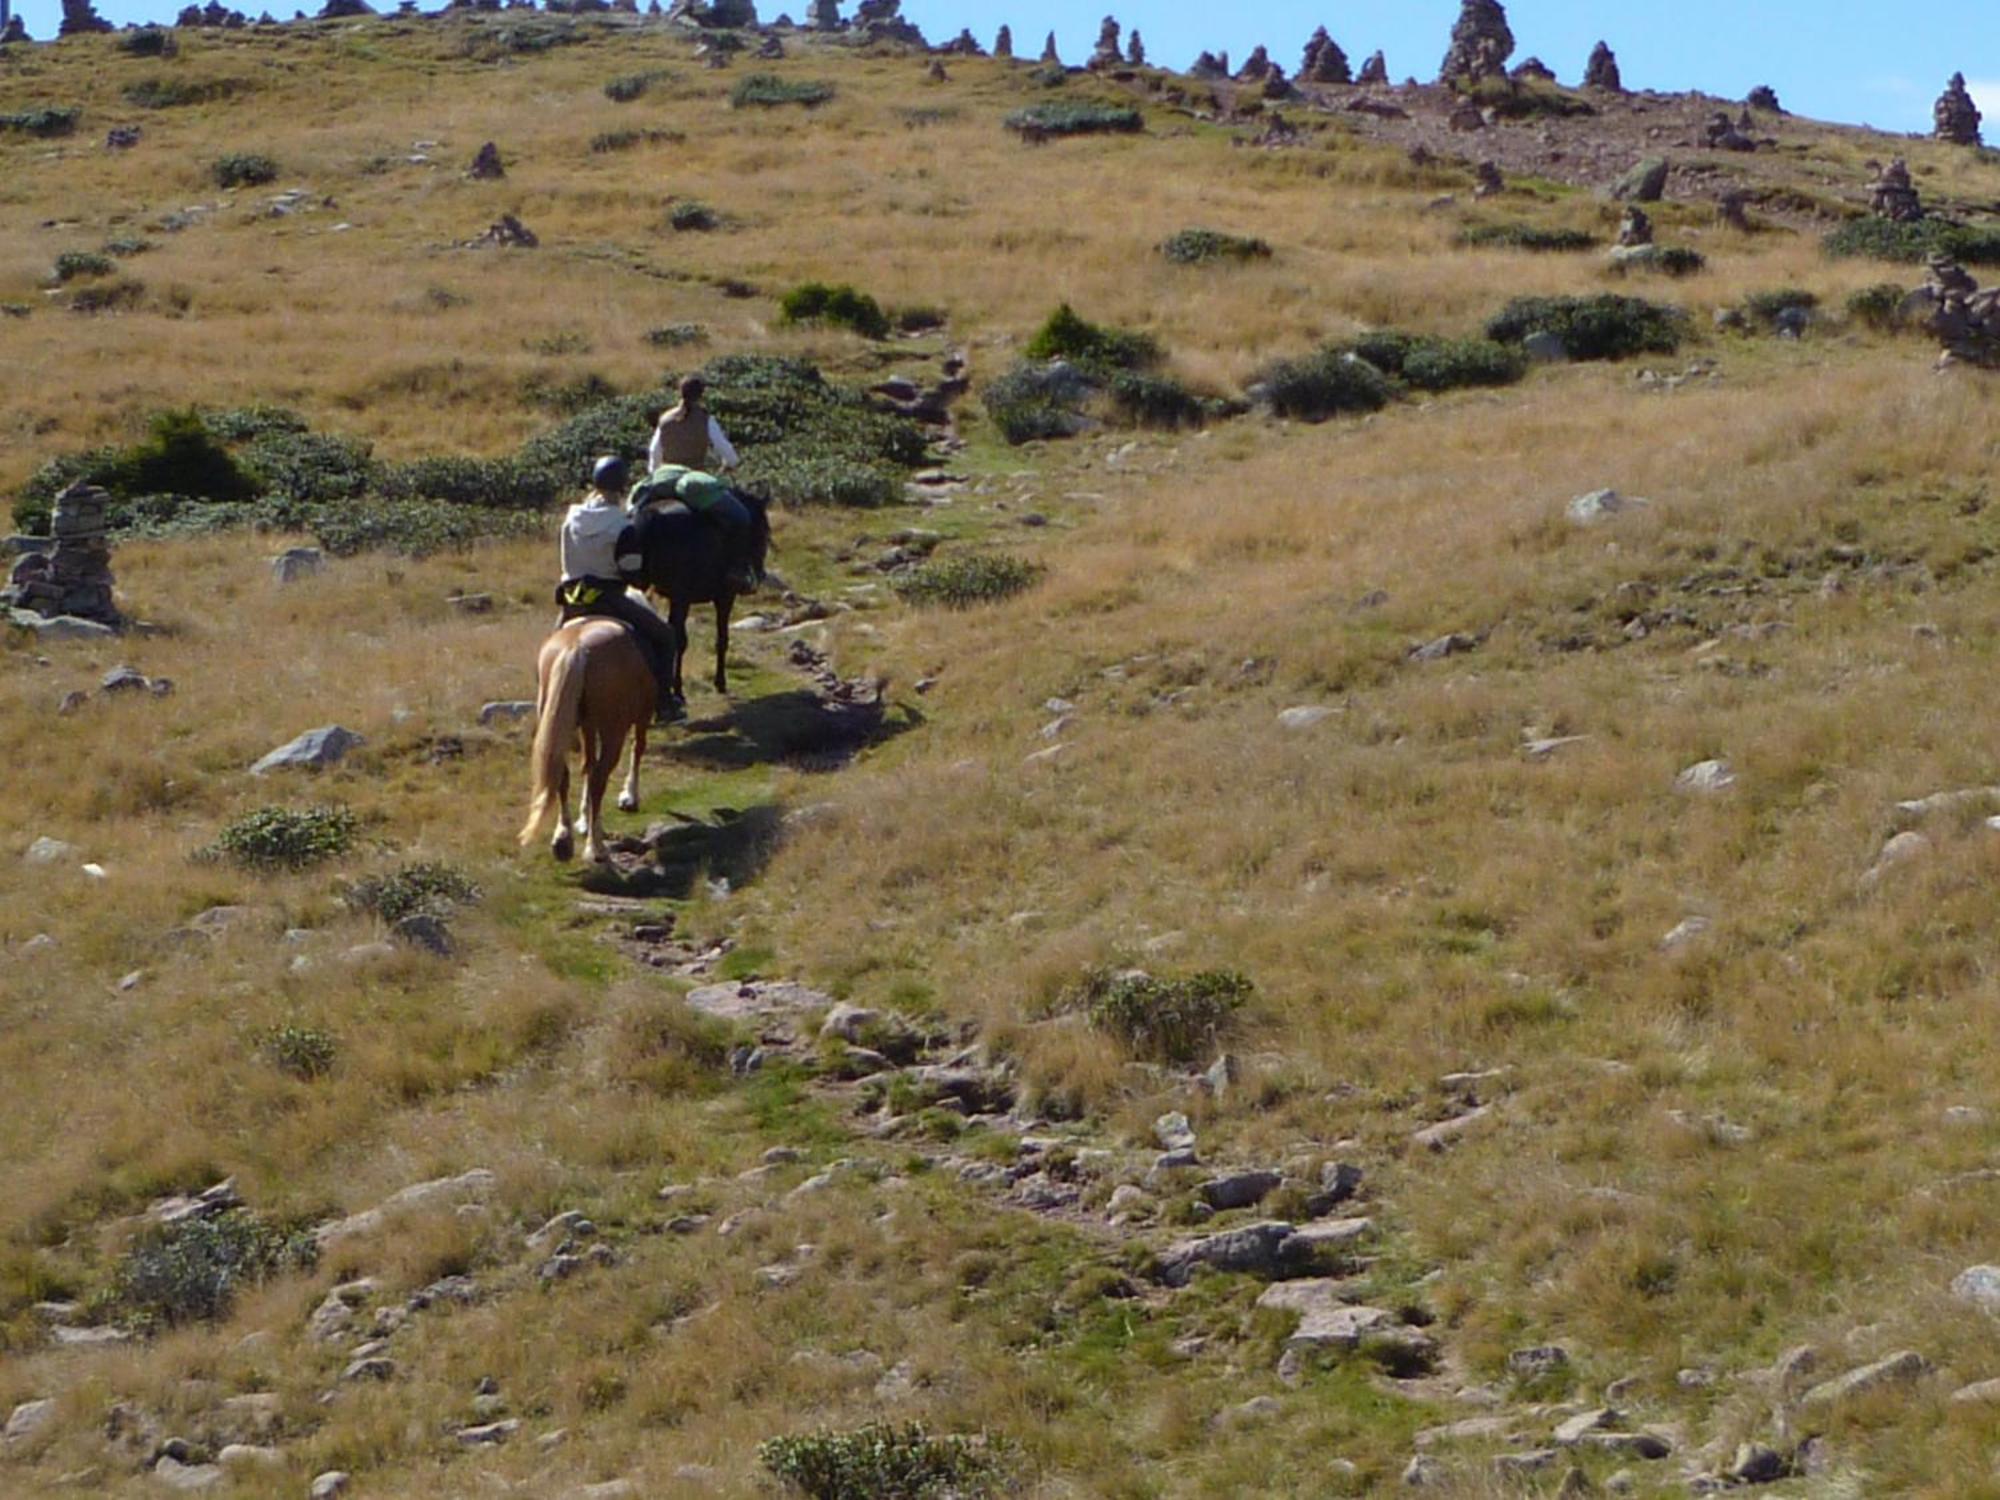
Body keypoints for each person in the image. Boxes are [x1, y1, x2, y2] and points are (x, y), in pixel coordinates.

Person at [557, 455, 682, 723]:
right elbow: (632, 576)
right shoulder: (622, 527)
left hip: (572, 599)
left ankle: (546, 704)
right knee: (665, 637)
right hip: (608, 599)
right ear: (623, 486)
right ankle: (664, 703)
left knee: (552, 648)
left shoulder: (572, 518)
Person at [646, 377, 759, 592]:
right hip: (693, 481)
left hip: (663, 479)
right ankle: (738, 569)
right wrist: (729, 464)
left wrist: (658, 475)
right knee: (742, 517)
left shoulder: (665, 420)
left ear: (679, 393)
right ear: (701, 395)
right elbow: (728, 454)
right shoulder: (705, 419)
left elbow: (654, 455)